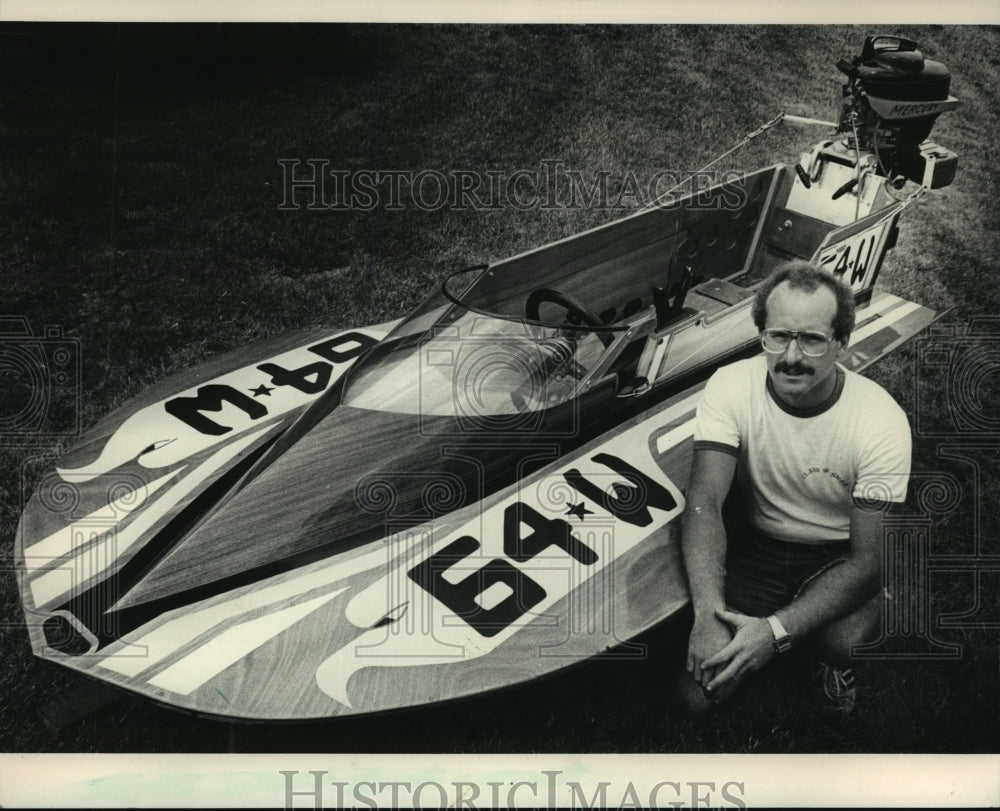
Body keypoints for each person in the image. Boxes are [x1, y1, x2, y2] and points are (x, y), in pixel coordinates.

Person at [678, 260, 911, 715]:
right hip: (761, 546)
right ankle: (777, 624)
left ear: (840, 343)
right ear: (762, 334)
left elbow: (868, 561)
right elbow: (704, 501)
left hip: (838, 555)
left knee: (841, 642)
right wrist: (707, 612)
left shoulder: (882, 421)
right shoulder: (730, 386)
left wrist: (773, 633)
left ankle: (833, 645)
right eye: (779, 335)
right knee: (696, 698)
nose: (791, 357)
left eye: (812, 339)